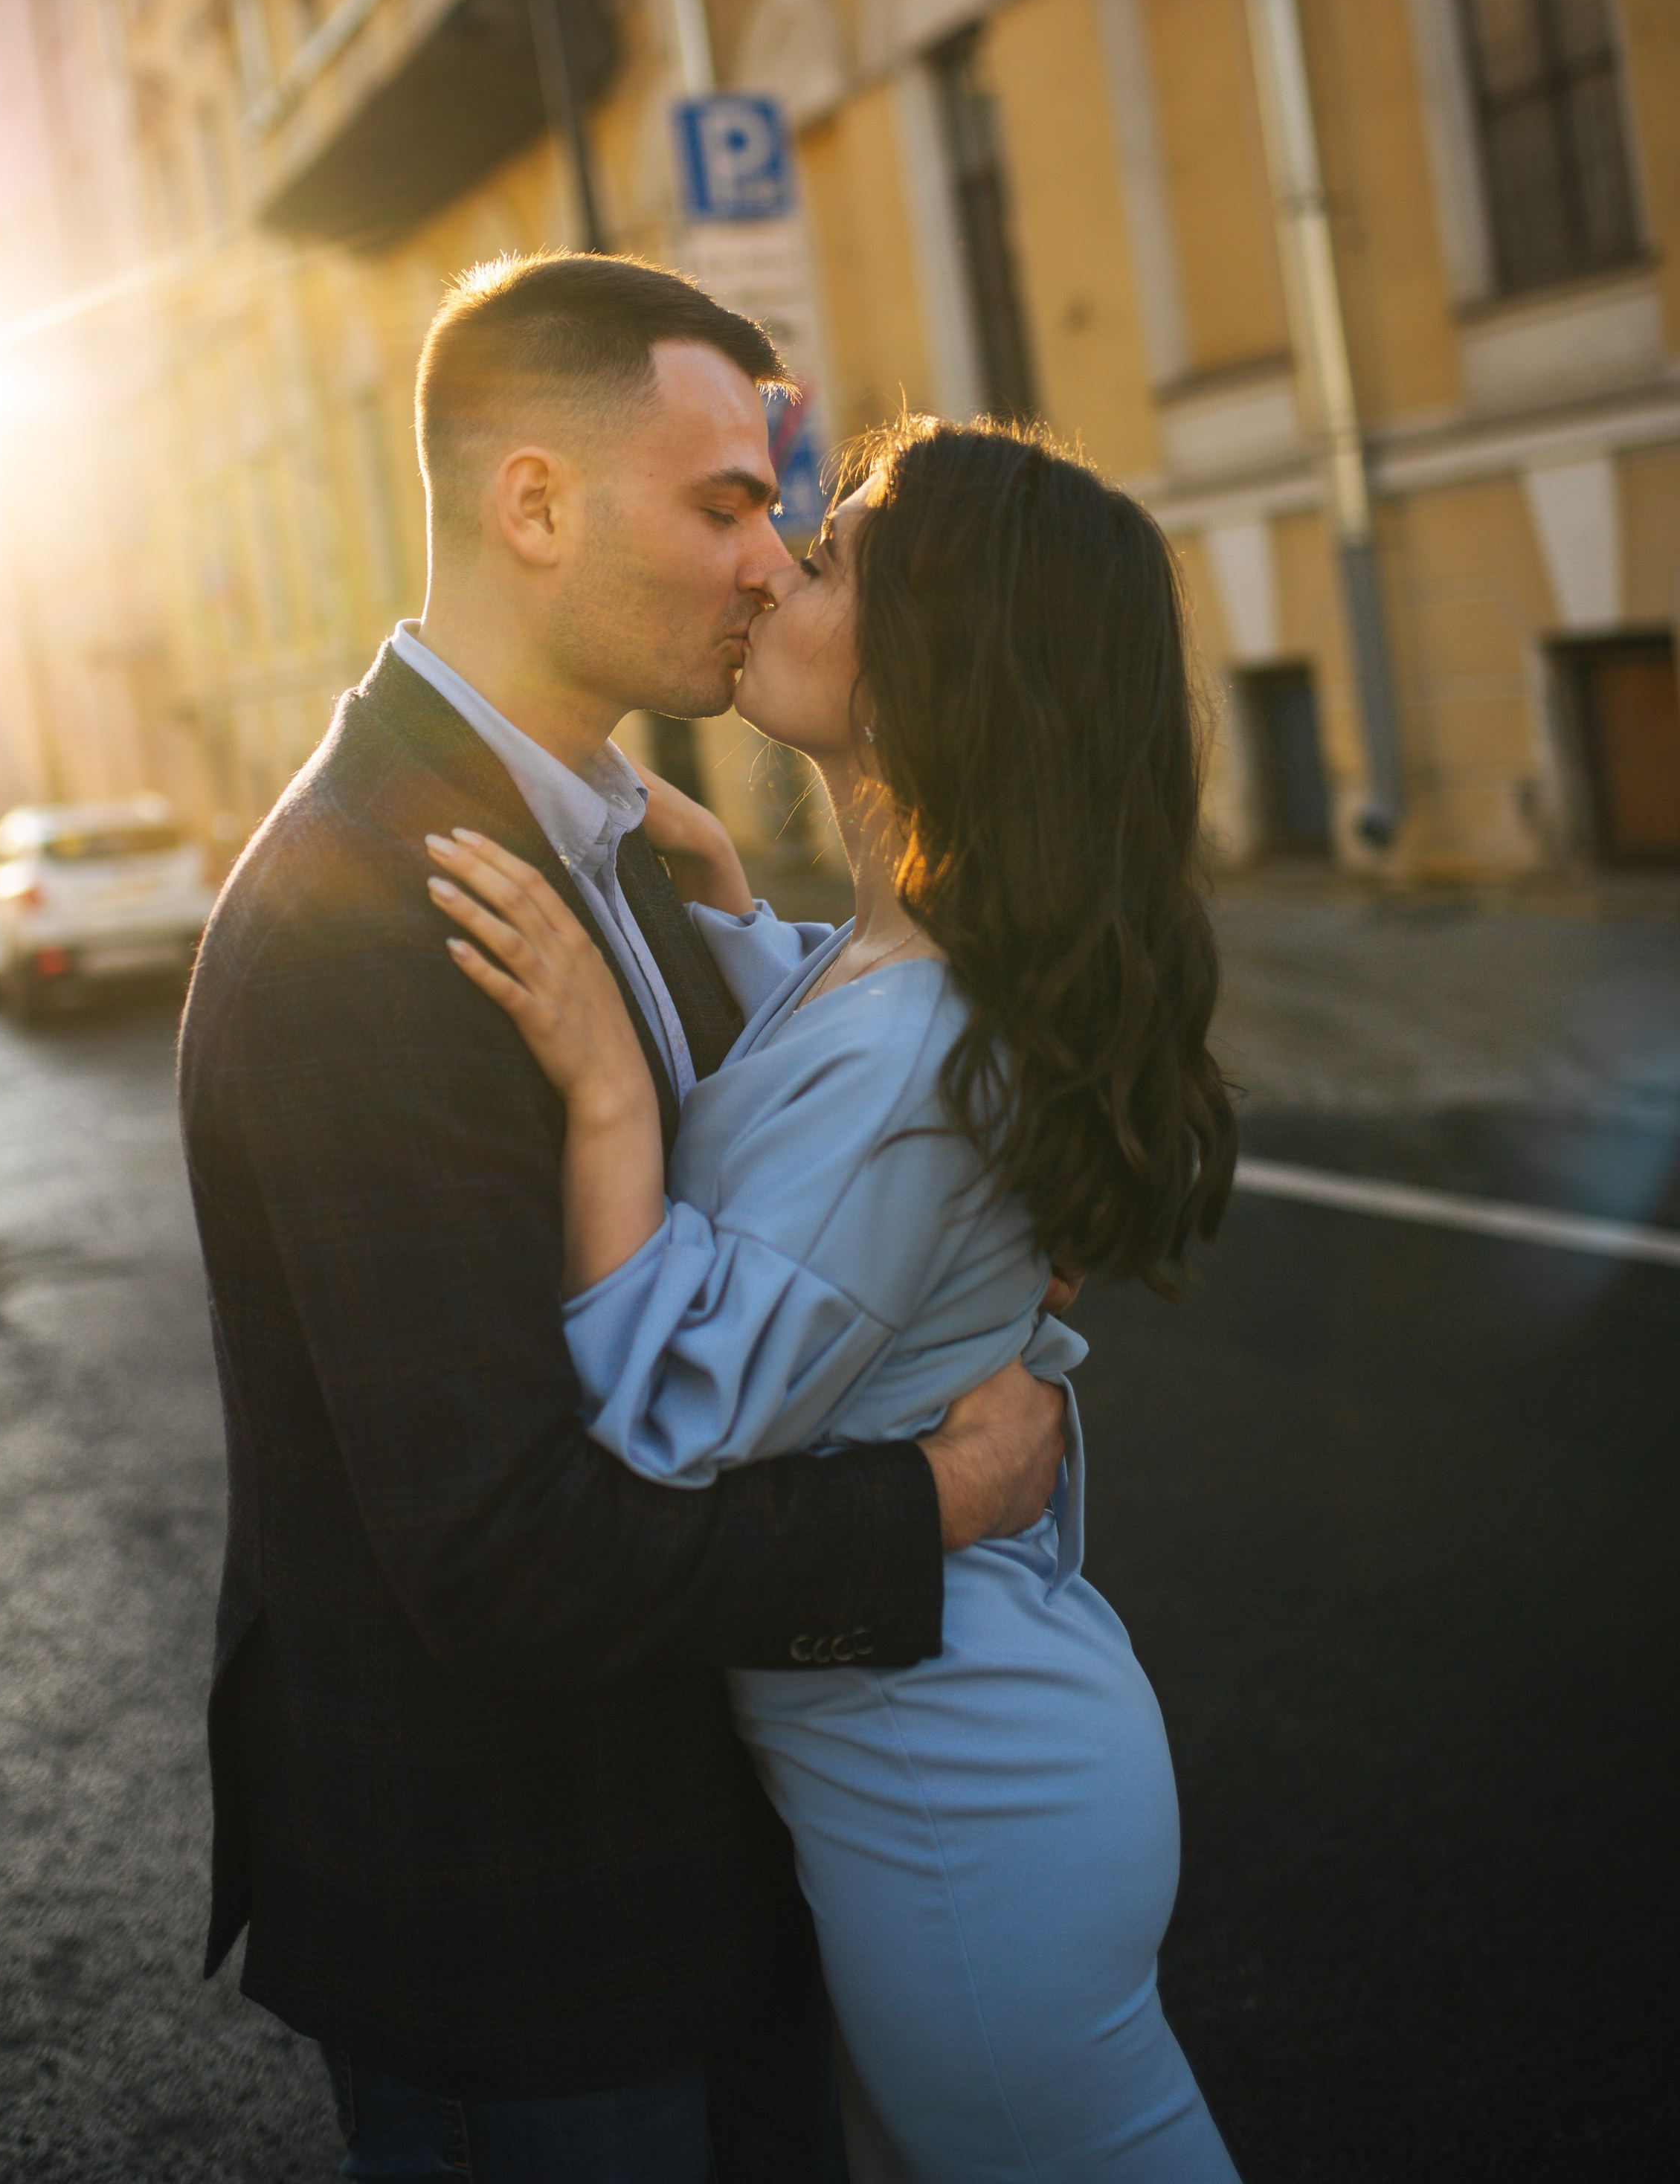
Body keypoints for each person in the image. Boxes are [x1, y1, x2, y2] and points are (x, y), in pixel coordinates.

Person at [177, 256, 1072, 2183]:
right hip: (527, 1941)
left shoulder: (628, 852)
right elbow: (503, 1558)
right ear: (532, 504)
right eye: (727, 504)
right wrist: (938, 1502)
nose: (770, 561)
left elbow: (828, 1179)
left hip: (722, 1890)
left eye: (777, 511)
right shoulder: (362, 921)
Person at [427, 414, 1243, 2183]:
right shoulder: (906, 971)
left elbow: (671, 1420)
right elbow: (816, 1053)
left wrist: (606, 1097)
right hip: (968, 1747)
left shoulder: (920, 1051)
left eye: (840, 548)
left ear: (935, 656)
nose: (782, 559)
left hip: (959, 1796)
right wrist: (715, 882)